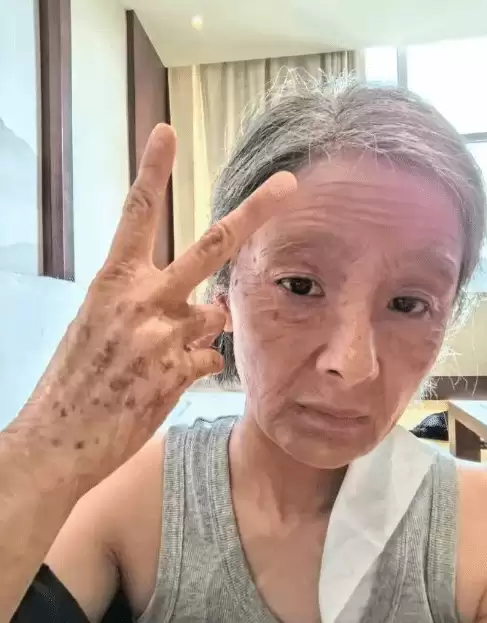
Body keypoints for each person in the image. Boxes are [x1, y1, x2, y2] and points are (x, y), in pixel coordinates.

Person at [3, 77, 487, 623]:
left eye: (408, 304)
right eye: (300, 286)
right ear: (223, 293)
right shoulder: (133, 500)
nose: (351, 365)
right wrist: (45, 445)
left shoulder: (474, 533)